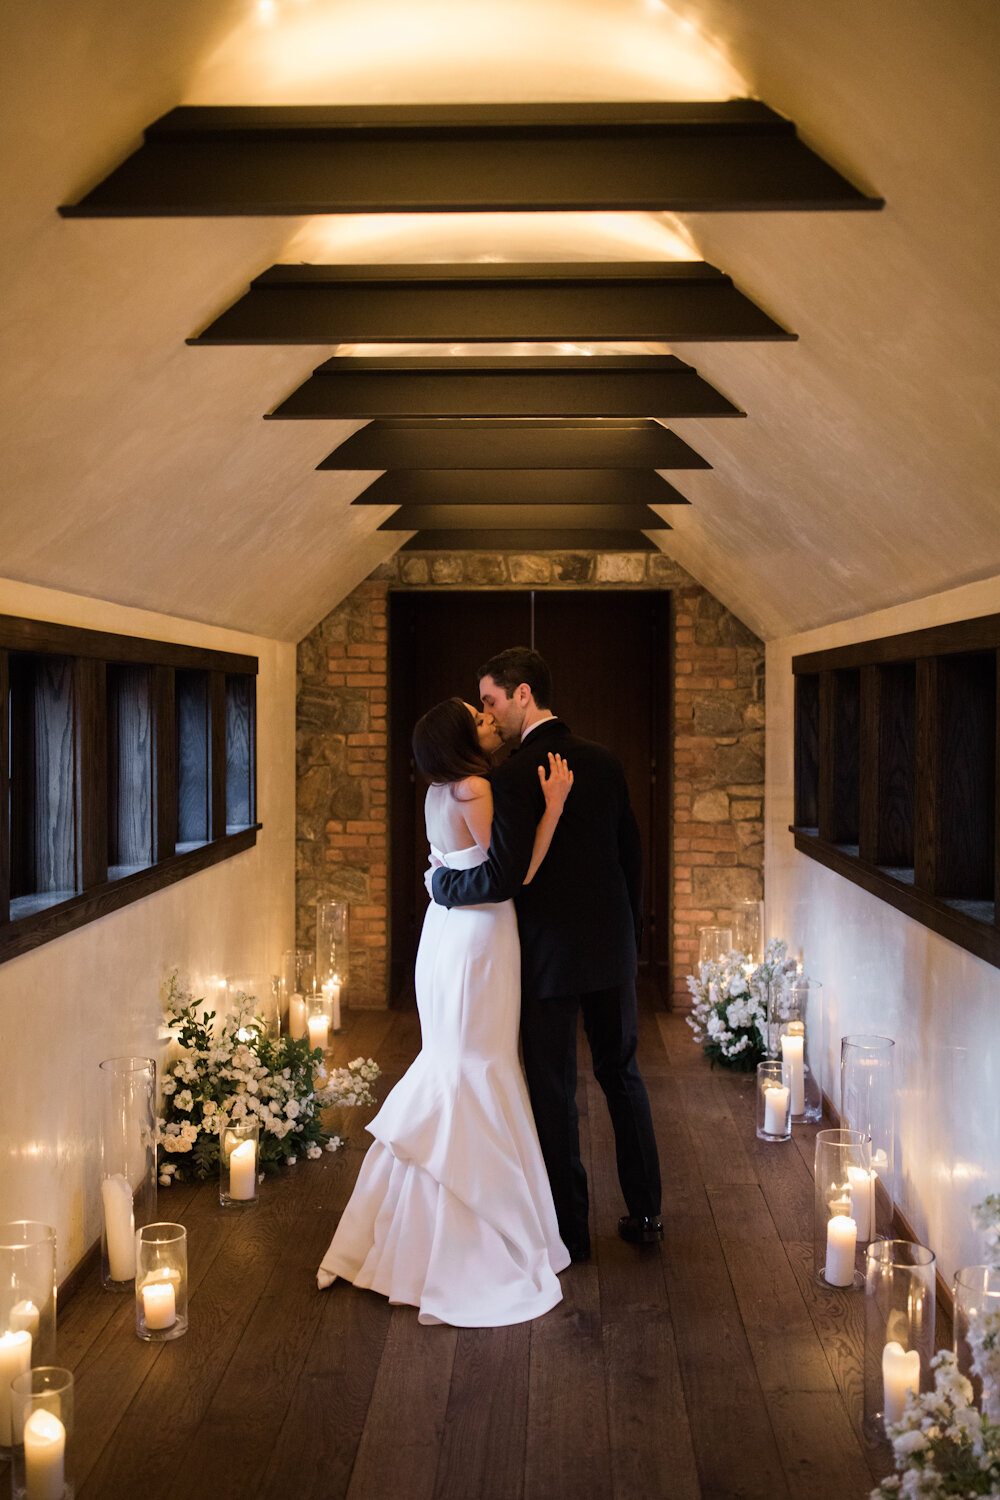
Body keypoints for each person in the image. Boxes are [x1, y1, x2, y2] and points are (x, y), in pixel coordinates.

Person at [317, 696, 574, 1326]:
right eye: (476, 716)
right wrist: (554, 810)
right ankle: (470, 1243)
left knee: (454, 1059)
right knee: (478, 1064)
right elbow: (514, 874)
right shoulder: (474, 789)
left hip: (444, 933)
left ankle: (414, 1229)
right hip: (480, 935)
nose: (487, 720)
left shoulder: (437, 791)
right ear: (461, 735)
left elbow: (452, 869)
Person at [430, 648, 662, 1263]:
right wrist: (630, 941)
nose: (488, 712)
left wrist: (441, 885)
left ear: (523, 694)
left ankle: (572, 1233)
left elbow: (505, 876)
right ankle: (646, 1215)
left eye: (492, 701)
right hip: (612, 950)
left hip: (545, 958)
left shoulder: (507, 776)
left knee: (555, 1092)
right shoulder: (607, 762)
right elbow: (631, 859)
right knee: (623, 1075)